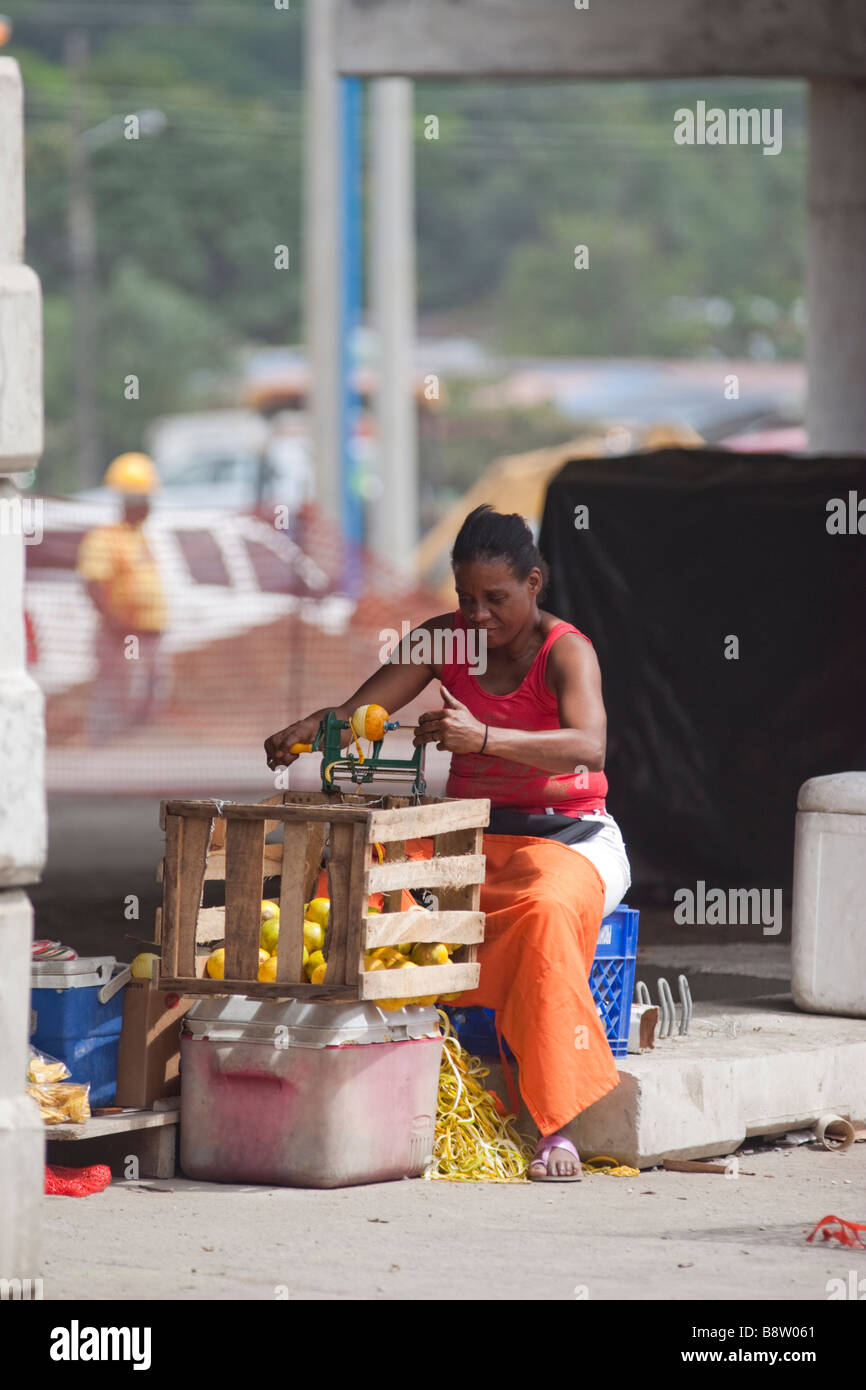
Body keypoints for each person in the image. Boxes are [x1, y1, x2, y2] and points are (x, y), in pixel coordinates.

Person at [264, 504, 631, 1182]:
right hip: (470, 836)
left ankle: (556, 1124)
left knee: (544, 913)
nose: (479, 616)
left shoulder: (566, 650)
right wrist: (316, 727)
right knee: (351, 878)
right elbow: (356, 716)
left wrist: (485, 739)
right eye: (466, 599)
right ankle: (329, 1057)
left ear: (535, 584)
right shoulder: (445, 642)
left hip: (570, 841)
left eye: (496, 598)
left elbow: (590, 746)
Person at [76, 453, 169, 745]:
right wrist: (117, 624)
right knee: (115, 693)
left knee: (147, 695)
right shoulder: (105, 538)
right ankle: (104, 749)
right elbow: (94, 585)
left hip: (148, 634)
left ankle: (133, 749)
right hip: (122, 635)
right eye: (146, 498)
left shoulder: (140, 538)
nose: (150, 505)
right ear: (132, 500)